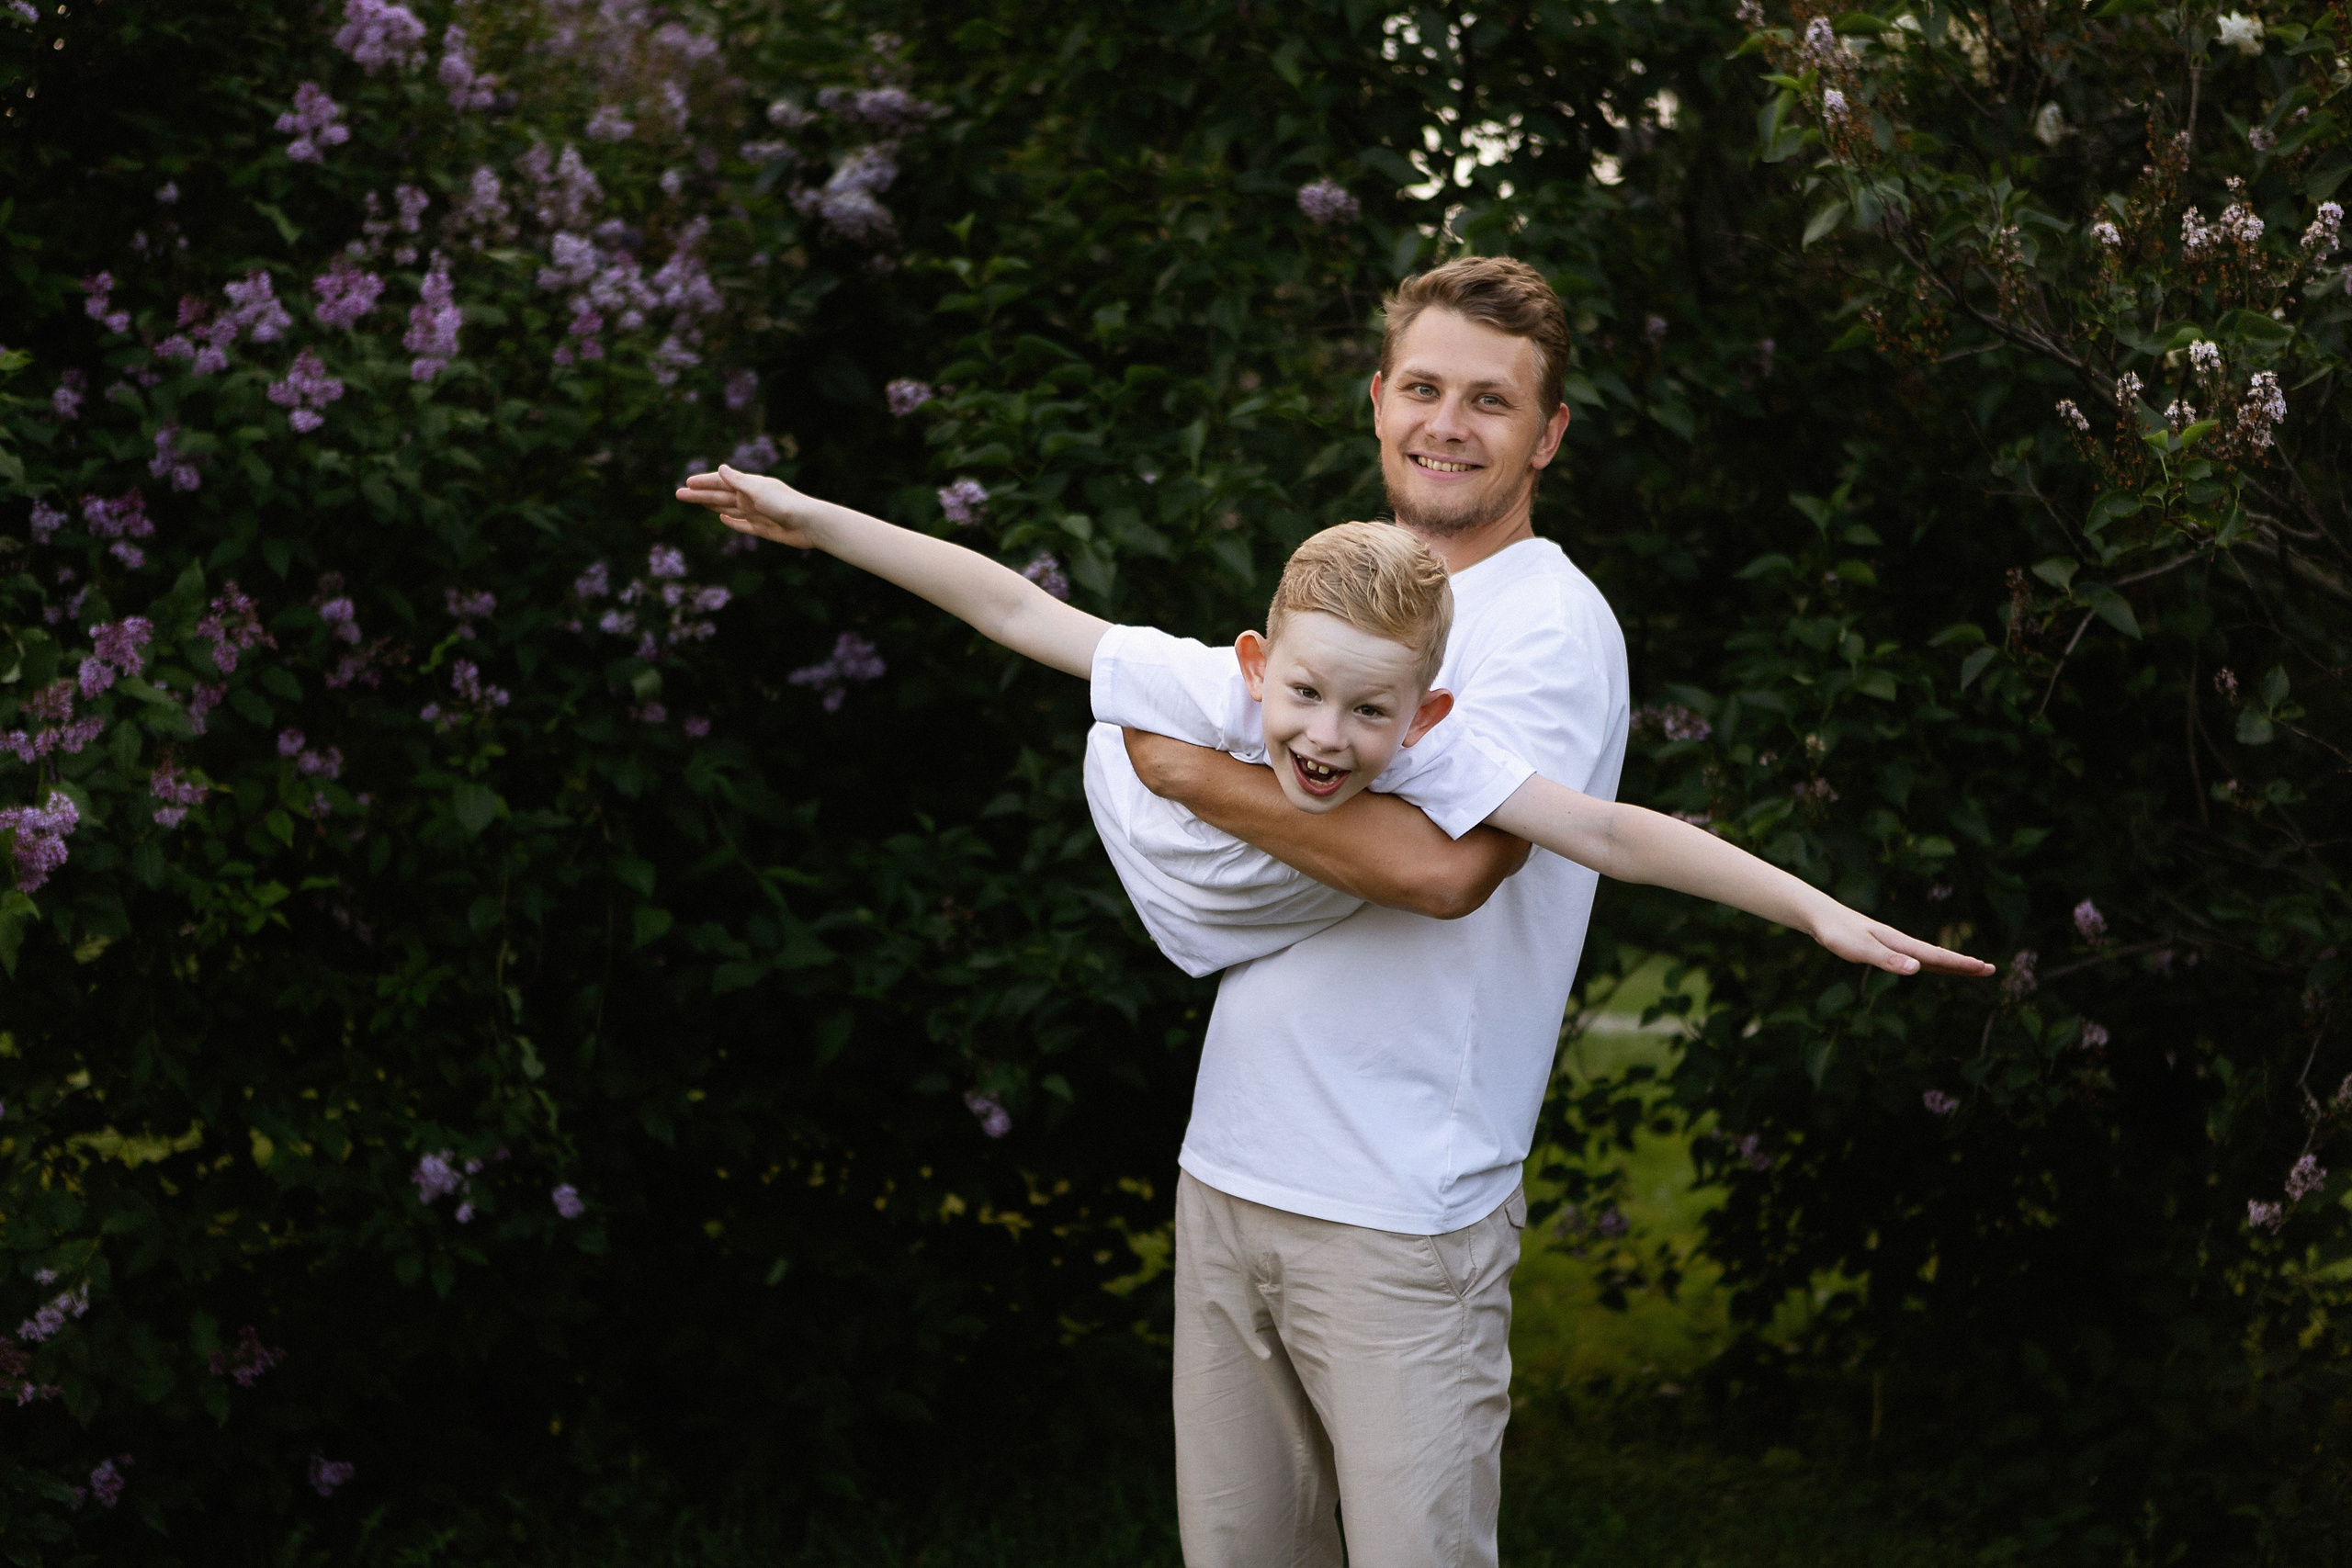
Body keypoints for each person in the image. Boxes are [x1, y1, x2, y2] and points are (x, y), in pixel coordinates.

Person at [679, 256, 1993, 1568]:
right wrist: (823, 519)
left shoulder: (1524, 636)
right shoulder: (1343, 629)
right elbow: (1020, 606)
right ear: (1377, 400)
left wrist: (1817, 909)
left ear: (1549, 434)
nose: (1447, 422)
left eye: (1491, 400)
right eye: (1423, 387)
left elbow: (1473, 866)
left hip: (1401, 1209)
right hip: (1235, 1174)